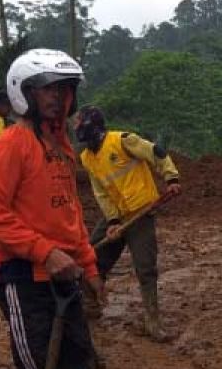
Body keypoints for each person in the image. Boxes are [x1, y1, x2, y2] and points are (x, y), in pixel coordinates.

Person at [0, 49, 106, 369]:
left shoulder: (62, 148)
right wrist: (44, 252)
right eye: (48, 89)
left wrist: (88, 267)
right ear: (25, 93)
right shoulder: (11, 145)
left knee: (79, 363)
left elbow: (69, 215)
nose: (58, 98)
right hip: (21, 276)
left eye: (65, 89)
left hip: (64, 273)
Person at [75, 106, 181, 341]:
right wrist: (112, 220)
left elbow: (156, 152)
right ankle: (90, 306)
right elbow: (100, 192)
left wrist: (170, 176)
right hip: (117, 214)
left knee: (146, 268)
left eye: (79, 123)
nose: (76, 127)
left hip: (141, 213)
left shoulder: (123, 141)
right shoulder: (86, 158)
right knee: (92, 256)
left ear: (91, 126)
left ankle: (152, 321)